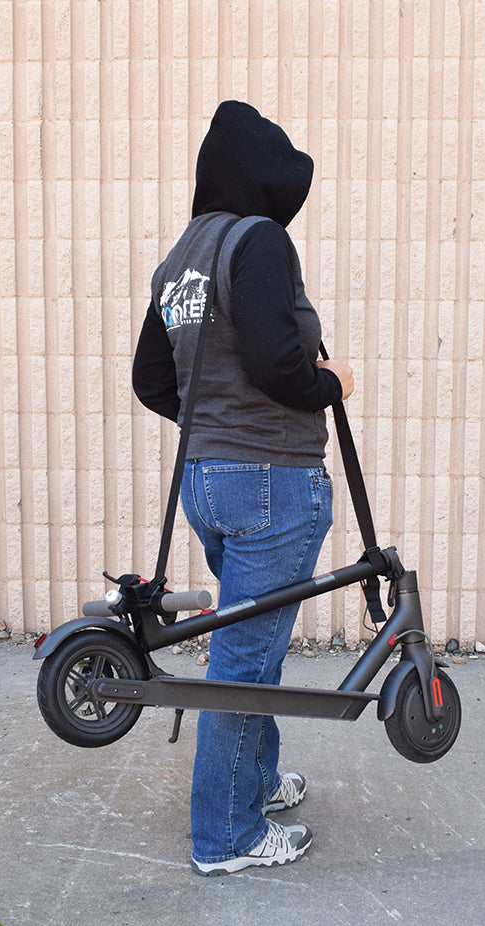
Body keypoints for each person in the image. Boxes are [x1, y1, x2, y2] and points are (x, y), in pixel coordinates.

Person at [132, 100, 355, 876]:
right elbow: (275, 364)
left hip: (208, 483)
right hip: (271, 484)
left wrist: (217, 422)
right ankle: (226, 836)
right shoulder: (260, 242)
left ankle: (255, 782)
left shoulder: (182, 256)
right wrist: (330, 383)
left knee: (251, 645)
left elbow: (152, 379)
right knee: (244, 660)